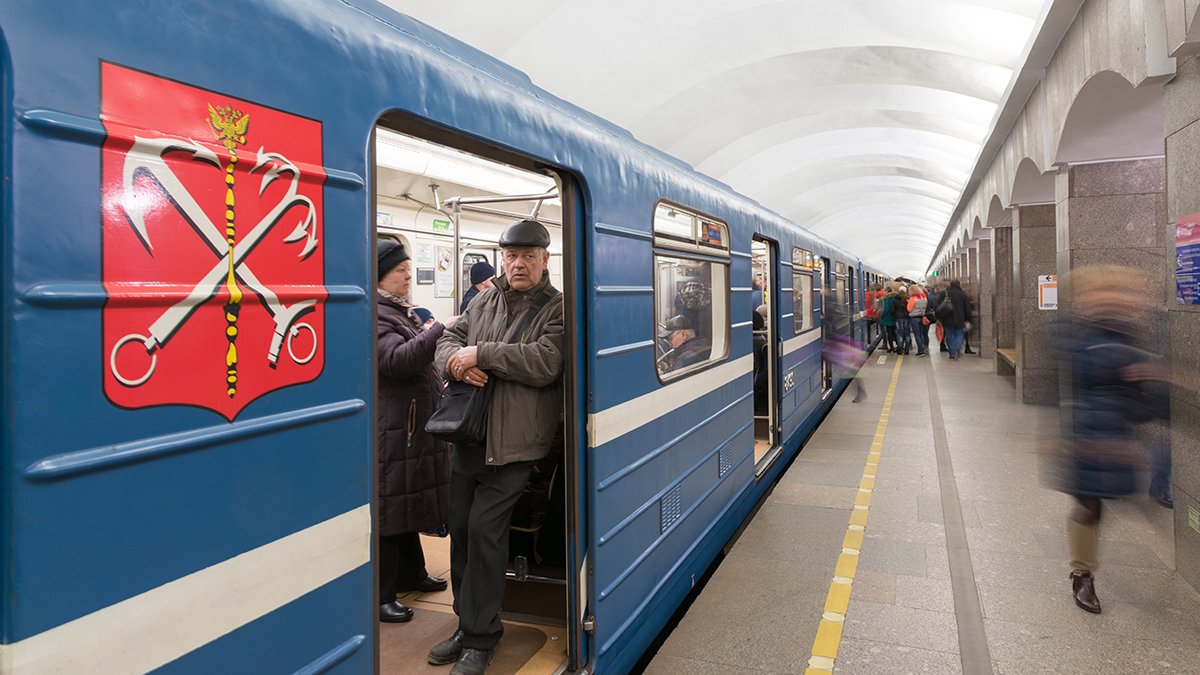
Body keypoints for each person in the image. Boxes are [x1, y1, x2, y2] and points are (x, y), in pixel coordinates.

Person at [431, 219, 564, 675]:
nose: (518, 264)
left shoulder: (557, 308)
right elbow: (450, 336)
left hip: (516, 443)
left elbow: (546, 361)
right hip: (470, 435)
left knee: (486, 533)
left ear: (545, 260)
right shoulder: (485, 298)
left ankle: (483, 638)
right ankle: (468, 625)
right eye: (511, 256)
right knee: (463, 530)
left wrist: (481, 354)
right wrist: (454, 363)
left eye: (528, 256)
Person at [1057, 266, 1169, 613]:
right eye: (1106, 293)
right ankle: (1082, 574)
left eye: (1120, 293)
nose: (1115, 299)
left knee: (1104, 504)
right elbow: (1065, 386)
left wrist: (1149, 384)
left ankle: (1084, 570)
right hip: (1083, 431)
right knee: (1088, 503)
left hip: (1117, 432)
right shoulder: (1073, 334)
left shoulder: (1130, 337)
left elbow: (1143, 400)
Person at [375, 240, 457, 623]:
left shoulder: (397, 311)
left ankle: (413, 574)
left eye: (410, 269)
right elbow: (395, 360)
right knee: (391, 511)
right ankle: (381, 596)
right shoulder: (376, 314)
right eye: (400, 271)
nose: (409, 276)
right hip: (395, 428)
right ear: (380, 277)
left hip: (410, 426)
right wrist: (439, 329)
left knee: (408, 503)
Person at [937, 279, 972, 359]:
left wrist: (938, 317)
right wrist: (968, 318)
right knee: (959, 333)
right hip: (960, 318)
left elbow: (938, 306)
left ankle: (952, 352)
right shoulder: (962, 294)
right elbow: (967, 308)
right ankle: (958, 346)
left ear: (950, 284)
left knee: (949, 335)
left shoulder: (944, 293)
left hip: (947, 317)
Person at [906, 284, 928, 357]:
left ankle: (920, 351)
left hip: (914, 318)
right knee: (920, 334)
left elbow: (909, 309)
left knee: (917, 335)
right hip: (922, 317)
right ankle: (921, 349)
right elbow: (925, 308)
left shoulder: (913, 298)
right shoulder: (924, 297)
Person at [880, 283, 898, 353]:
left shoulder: (887, 299)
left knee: (889, 333)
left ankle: (891, 348)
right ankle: (898, 346)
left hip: (888, 318)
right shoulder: (895, 297)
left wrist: (882, 316)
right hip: (894, 317)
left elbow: (886, 310)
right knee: (894, 332)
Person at [892, 285, 910, 355]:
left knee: (899, 333)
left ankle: (900, 348)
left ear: (898, 291)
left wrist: (895, 315)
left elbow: (892, 310)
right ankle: (907, 349)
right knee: (907, 333)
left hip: (898, 318)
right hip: (907, 318)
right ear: (906, 291)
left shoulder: (895, 299)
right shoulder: (908, 299)